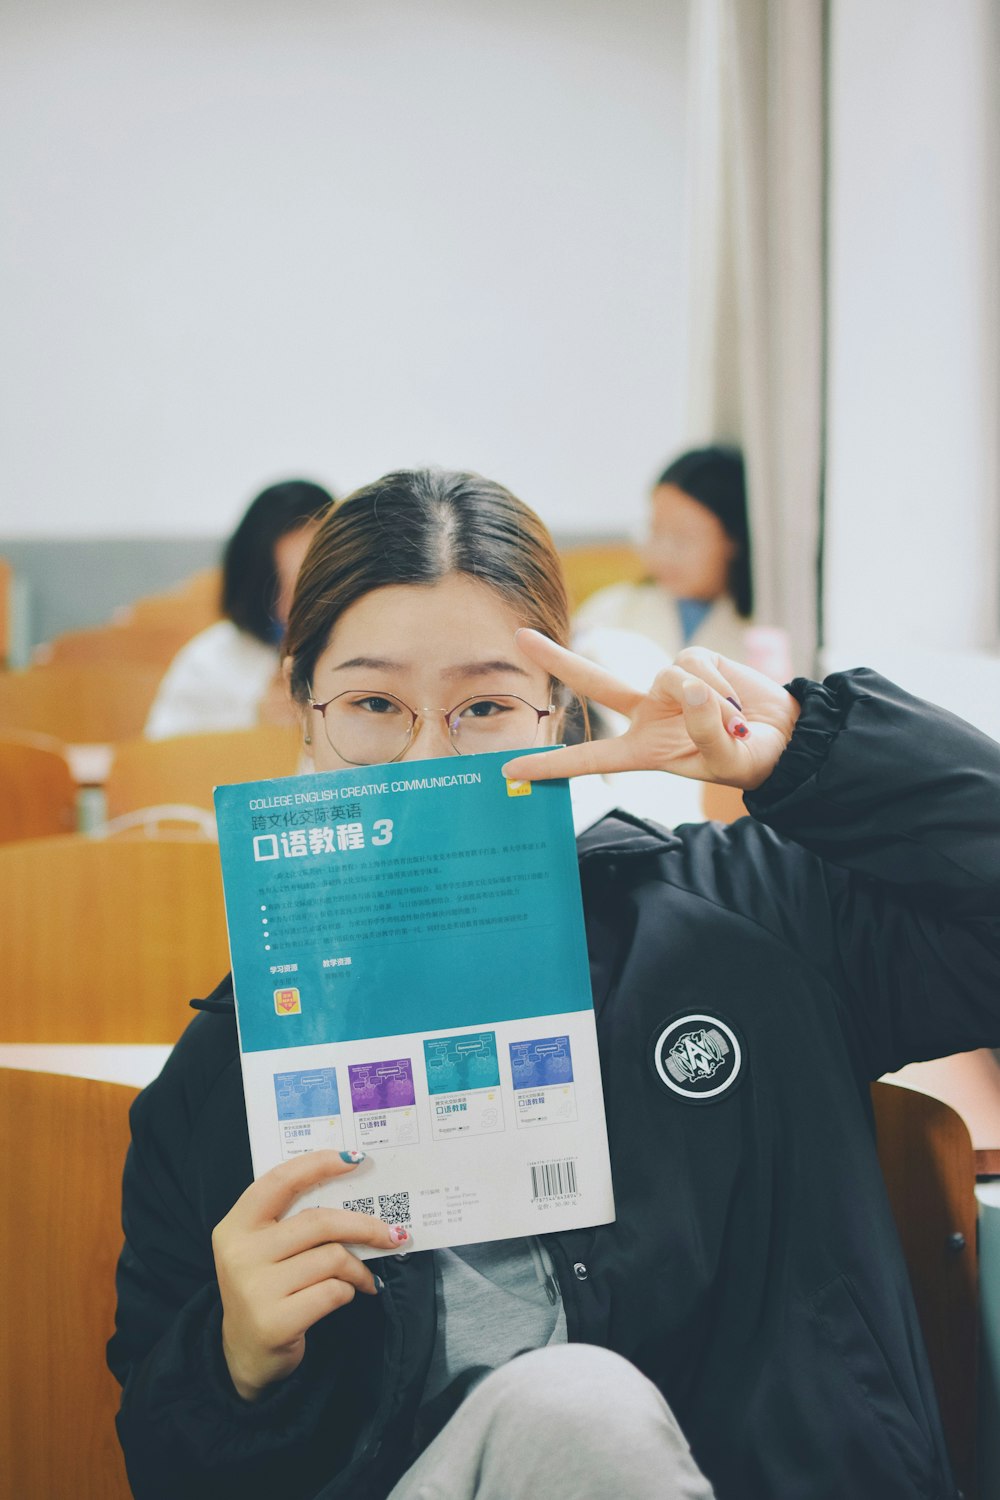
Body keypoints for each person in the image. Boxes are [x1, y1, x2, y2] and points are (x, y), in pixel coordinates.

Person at [109, 467, 1000, 1500]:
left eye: (484, 704)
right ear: (302, 712)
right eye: (371, 704)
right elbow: (166, 1459)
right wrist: (236, 1369)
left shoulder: (748, 925)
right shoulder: (222, 1080)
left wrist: (805, 752)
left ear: (557, 715)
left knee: (581, 1410)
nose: (424, 759)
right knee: (572, 1409)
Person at [144, 478, 335, 739]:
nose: (292, 610)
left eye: (311, 584)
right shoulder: (207, 662)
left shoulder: (364, 655)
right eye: (277, 588)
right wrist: (254, 724)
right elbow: (164, 764)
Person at [574, 444, 752, 662]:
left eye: (683, 538)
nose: (663, 554)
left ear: (732, 540)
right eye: (656, 532)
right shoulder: (611, 609)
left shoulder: (760, 628)